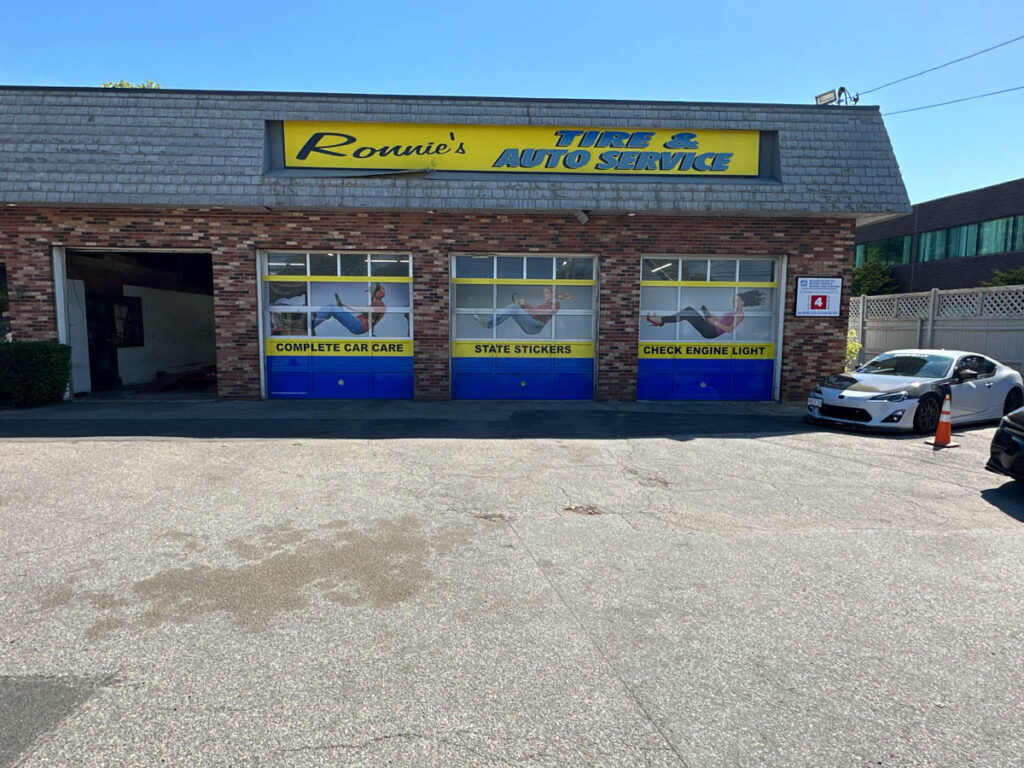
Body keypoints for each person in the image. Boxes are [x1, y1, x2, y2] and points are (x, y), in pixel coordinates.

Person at [646, 290, 765, 339]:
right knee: (690, 311)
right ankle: (661, 321)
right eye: (733, 300)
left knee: (689, 312)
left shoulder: (740, 315)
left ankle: (660, 320)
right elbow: (723, 320)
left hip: (711, 332)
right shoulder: (734, 312)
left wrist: (714, 322)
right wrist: (712, 317)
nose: (734, 302)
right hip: (711, 326)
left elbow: (729, 329)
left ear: (743, 302)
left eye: (737, 300)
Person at [476, 286, 571, 335]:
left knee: (513, 307)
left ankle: (489, 321)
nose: (545, 295)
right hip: (533, 326)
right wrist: (523, 305)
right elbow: (534, 313)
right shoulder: (546, 304)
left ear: (552, 293)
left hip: (536, 326)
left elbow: (537, 313)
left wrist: (524, 305)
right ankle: (489, 323)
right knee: (512, 310)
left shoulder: (555, 304)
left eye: (547, 293)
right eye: (544, 293)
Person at [312, 283, 386, 336]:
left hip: (358, 325)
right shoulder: (375, 304)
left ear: (377, 293)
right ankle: (312, 323)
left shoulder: (379, 305)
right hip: (358, 324)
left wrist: (344, 305)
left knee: (331, 308)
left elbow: (370, 319)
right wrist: (344, 305)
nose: (370, 294)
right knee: (333, 310)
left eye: (371, 292)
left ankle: (309, 324)